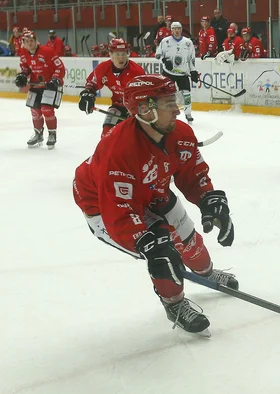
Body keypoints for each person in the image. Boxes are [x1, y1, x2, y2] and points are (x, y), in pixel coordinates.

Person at [72, 74, 237, 334]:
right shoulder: (117, 149)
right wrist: (146, 243)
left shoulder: (180, 132)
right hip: (104, 206)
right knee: (162, 247)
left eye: (175, 101)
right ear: (145, 110)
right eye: (168, 103)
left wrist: (207, 197)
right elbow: (119, 209)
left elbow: (191, 173)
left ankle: (207, 273)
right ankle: (174, 303)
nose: (176, 109)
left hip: (152, 190)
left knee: (189, 239)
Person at [79, 38, 146, 137]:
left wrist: (136, 111)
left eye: (124, 54)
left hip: (135, 108)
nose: (121, 58)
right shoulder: (103, 68)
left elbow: (144, 94)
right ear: (110, 54)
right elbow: (92, 84)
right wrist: (88, 94)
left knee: (134, 138)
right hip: (117, 105)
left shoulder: (137, 71)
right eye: (117, 54)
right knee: (106, 135)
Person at [16, 30, 65, 149]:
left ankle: (52, 133)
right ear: (23, 42)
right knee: (35, 111)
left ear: (36, 41)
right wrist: (22, 75)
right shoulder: (23, 53)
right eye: (27, 41)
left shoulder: (47, 51)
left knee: (46, 109)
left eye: (31, 41)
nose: (29, 43)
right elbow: (26, 68)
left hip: (50, 85)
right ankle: (38, 133)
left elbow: (60, 67)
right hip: (35, 85)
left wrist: (55, 79)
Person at [156, 21, 198, 123]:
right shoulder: (165, 41)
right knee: (165, 95)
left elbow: (191, 59)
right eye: (174, 28)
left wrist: (193, 71)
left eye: (178, 28)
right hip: (168, 73)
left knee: (187, 94)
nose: (177, 30)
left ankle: (188, 114)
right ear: (171, 30)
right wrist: (164, 61)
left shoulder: (188, 42)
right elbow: (158, 55)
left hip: (182, 73)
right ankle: (163, 113)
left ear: (181, 29)